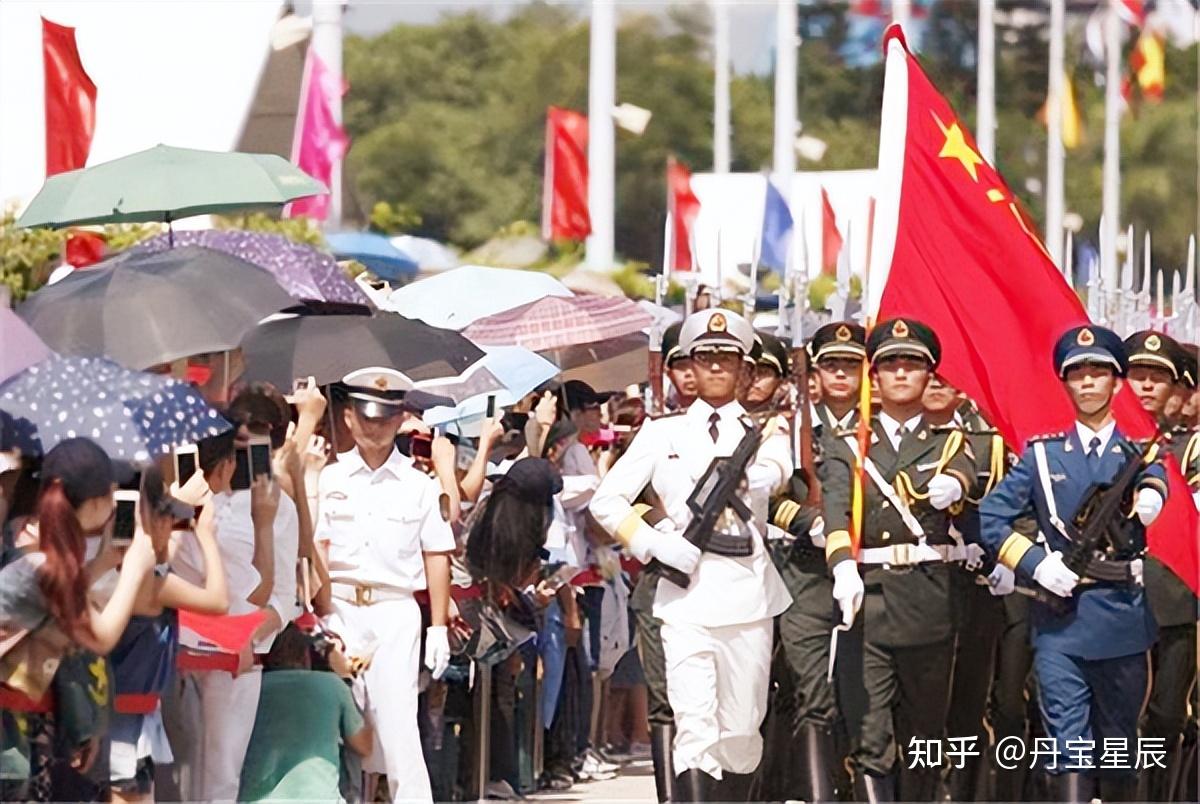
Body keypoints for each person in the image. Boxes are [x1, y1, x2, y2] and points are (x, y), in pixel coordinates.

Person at [591, 308, 793, 801]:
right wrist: (654, 542)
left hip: (747, 597)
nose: (717, 368)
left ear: (746, 369)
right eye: (706, 358)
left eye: (728, 359)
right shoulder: (663, 434)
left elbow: (779, 466)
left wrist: (768, 474)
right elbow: (607, 500)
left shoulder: (768, 433)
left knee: (743, 730)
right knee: (694, 725)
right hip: (685, 600)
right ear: (690, 367)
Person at [980, 325, 1168, 803]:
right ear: (1064, 384)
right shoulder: (1042, 456)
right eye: (1077, 374)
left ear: (1117, 383)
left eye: (1098, 372)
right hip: (1061, 622)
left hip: (1122, 618)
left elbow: (1158, 481)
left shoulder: (1138, 453)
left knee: (1120, 745)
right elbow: (993, 517)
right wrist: (1038, 564)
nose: (1087, 382)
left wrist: (1150, 495)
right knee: (1069, 743)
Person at [819, 318, 975, 802]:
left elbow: (966, 478)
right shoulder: (848, 444)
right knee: (869, 737)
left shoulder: (948, 441)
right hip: (868, 600)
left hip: (929, 599)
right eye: (890, 365)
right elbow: (836, 508)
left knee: (924, 738)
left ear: (930, 376)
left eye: (913, 365)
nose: (901, 374)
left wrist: (956, 487)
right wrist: (843, 565)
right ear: (875, 377)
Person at [315, 367, 454, 802]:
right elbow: (318, 549)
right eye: (366, 417)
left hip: (394, 610)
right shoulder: (328, 478)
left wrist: (438, 627)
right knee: (340, 722)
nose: (375, 427)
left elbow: (437, 554)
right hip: (338, 605)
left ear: (399, 420)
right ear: (350, 419)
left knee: (397, 726)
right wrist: (319, 617)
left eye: (384, 418)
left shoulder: (419, 485)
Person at [0, 439, 157, 802]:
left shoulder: (45, 561)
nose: (117, 496)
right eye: (111, 489)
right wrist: (133, 571)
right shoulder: (43, 567)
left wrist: (103, 562)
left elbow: (61, 601)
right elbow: (100, 637)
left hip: (22, 728)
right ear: (95, 502)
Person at [105, 465, 228, 804]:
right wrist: (206, 538)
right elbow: (218, 600)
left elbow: (158, 560)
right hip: (126, 727)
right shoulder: (151, 583)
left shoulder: (115, 572)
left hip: (116, 717)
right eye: (167, 519)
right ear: (153, 522)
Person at [1123, 330, 1199, 802]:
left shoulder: (1188, 448)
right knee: (1117, 717)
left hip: (1174, 597)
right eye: (1137, 375)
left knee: (1168, 716)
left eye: (1158, 378)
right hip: (1109, 599)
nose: (1147, 386)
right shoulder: (1091, 442)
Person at [238, 624, 372, 801]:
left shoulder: (251, 688)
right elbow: (364, 746)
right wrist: (347, 678)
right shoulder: (332, 685)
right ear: (306, 655)